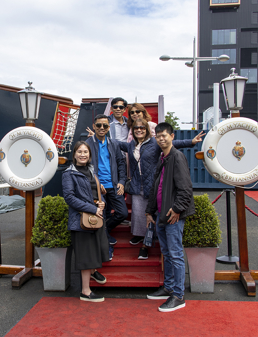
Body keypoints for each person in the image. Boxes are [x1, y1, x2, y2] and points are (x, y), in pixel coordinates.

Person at [117, 119, 204, 260]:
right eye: (136, 128)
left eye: (142, 128)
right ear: (132, 131)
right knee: (141, 217)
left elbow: (173, 143)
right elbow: (118, 144)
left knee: (153, 217)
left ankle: (146, 245)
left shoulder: (155, 142)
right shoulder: (131, 145)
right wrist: (98, 137)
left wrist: (191, 142)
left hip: (152, 185)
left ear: (147, 130)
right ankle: (142, 240)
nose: (139, 130)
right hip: (137, 185)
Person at [145, 122, 195, 312]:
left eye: (165, 135)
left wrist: (177, 209)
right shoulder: (163, 158)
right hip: (161, 214)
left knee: (175, 255)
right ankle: (169, 287)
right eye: (158, 136)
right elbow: (156, 186)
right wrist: (149, 211)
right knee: (166, 254)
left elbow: (185, 188)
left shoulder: (177, 156)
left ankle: (178, 295)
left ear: (172, 136)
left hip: (173, 215)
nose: (161, 138)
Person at [62, 141, 109, 302]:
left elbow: (94, 195)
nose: (83, 154)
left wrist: (100, 204)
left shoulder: (91, 171)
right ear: (74, 154)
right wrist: (93, 208)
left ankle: (93, 273)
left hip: (94, 217)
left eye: (86, 152)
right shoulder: (68, 173)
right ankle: (85, 292)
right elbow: (69, 198)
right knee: (86, 255)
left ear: (89, 155)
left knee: (95, 251)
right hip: (81, 220)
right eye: (79, 152)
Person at [86, 114, 128, 259]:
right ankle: (107, 249)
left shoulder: (114, 144)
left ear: (109, 127)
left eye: (105, 125)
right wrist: (97, 183)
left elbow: (121, 164)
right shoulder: (88, 144)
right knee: (101, 216)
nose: (101, 128)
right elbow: (85, 168)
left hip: (114, 185)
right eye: (98, 125)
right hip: (98, 188)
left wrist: (122, 182)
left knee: (122, 213)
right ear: (94, 126)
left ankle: (106, 231)